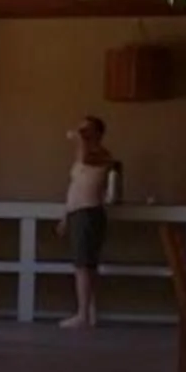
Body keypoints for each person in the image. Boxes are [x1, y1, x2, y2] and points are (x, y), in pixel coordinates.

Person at [61, 114, 120, 329]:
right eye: (80, 129)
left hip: (90, 212)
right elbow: (74, 187)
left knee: (84, 265)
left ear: (98, 133)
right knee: (83, 264)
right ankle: (89, 310)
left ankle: (83, 314)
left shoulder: (102, 155)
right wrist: (66, 216)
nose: (82, 133)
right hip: (77, 212)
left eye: (87, 130)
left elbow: (87, 158)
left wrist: (78, 139)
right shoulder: (81, 156)